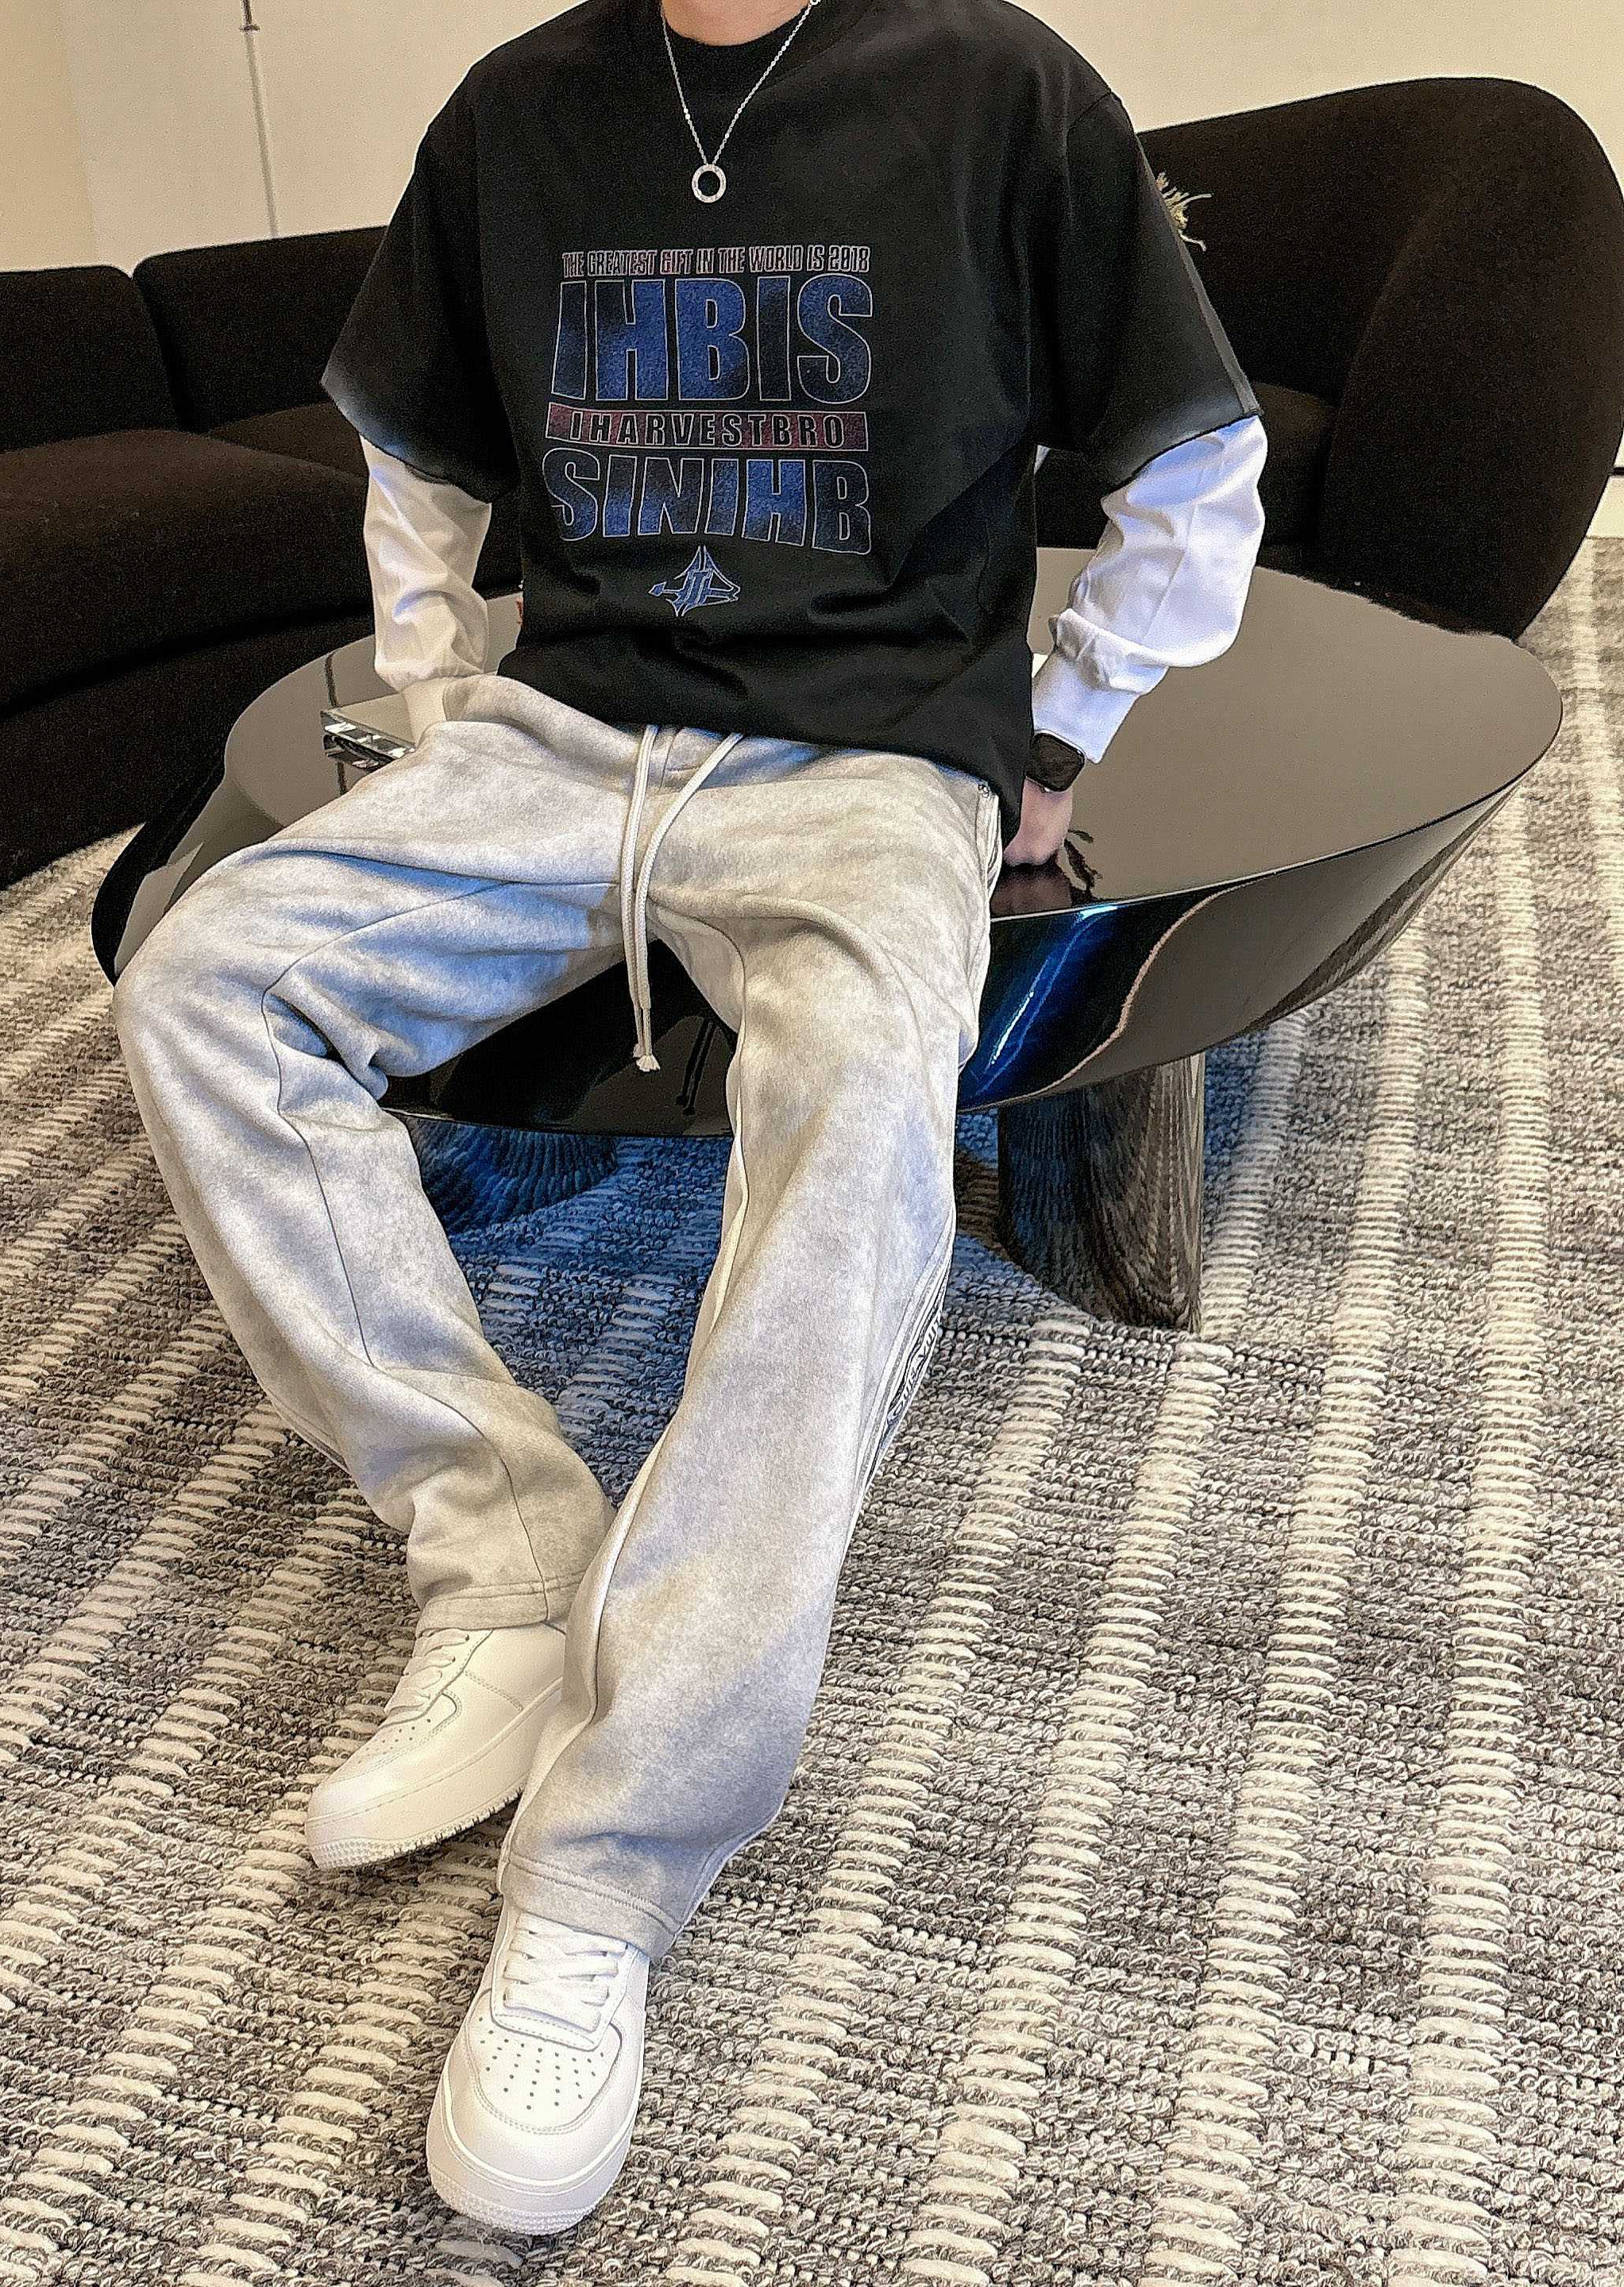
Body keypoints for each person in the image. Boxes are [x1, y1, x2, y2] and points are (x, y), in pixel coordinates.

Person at [109, 0, 1267, 2237]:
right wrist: (441, 708)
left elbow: (1192, 458)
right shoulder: (518, 112)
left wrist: (1065, 724)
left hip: (877, 755)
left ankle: (611, 1864)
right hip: (566, 741)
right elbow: (422, 467)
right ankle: (503, 1552)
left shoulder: (1001, 91)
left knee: (855, 1127)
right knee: (205, 981)